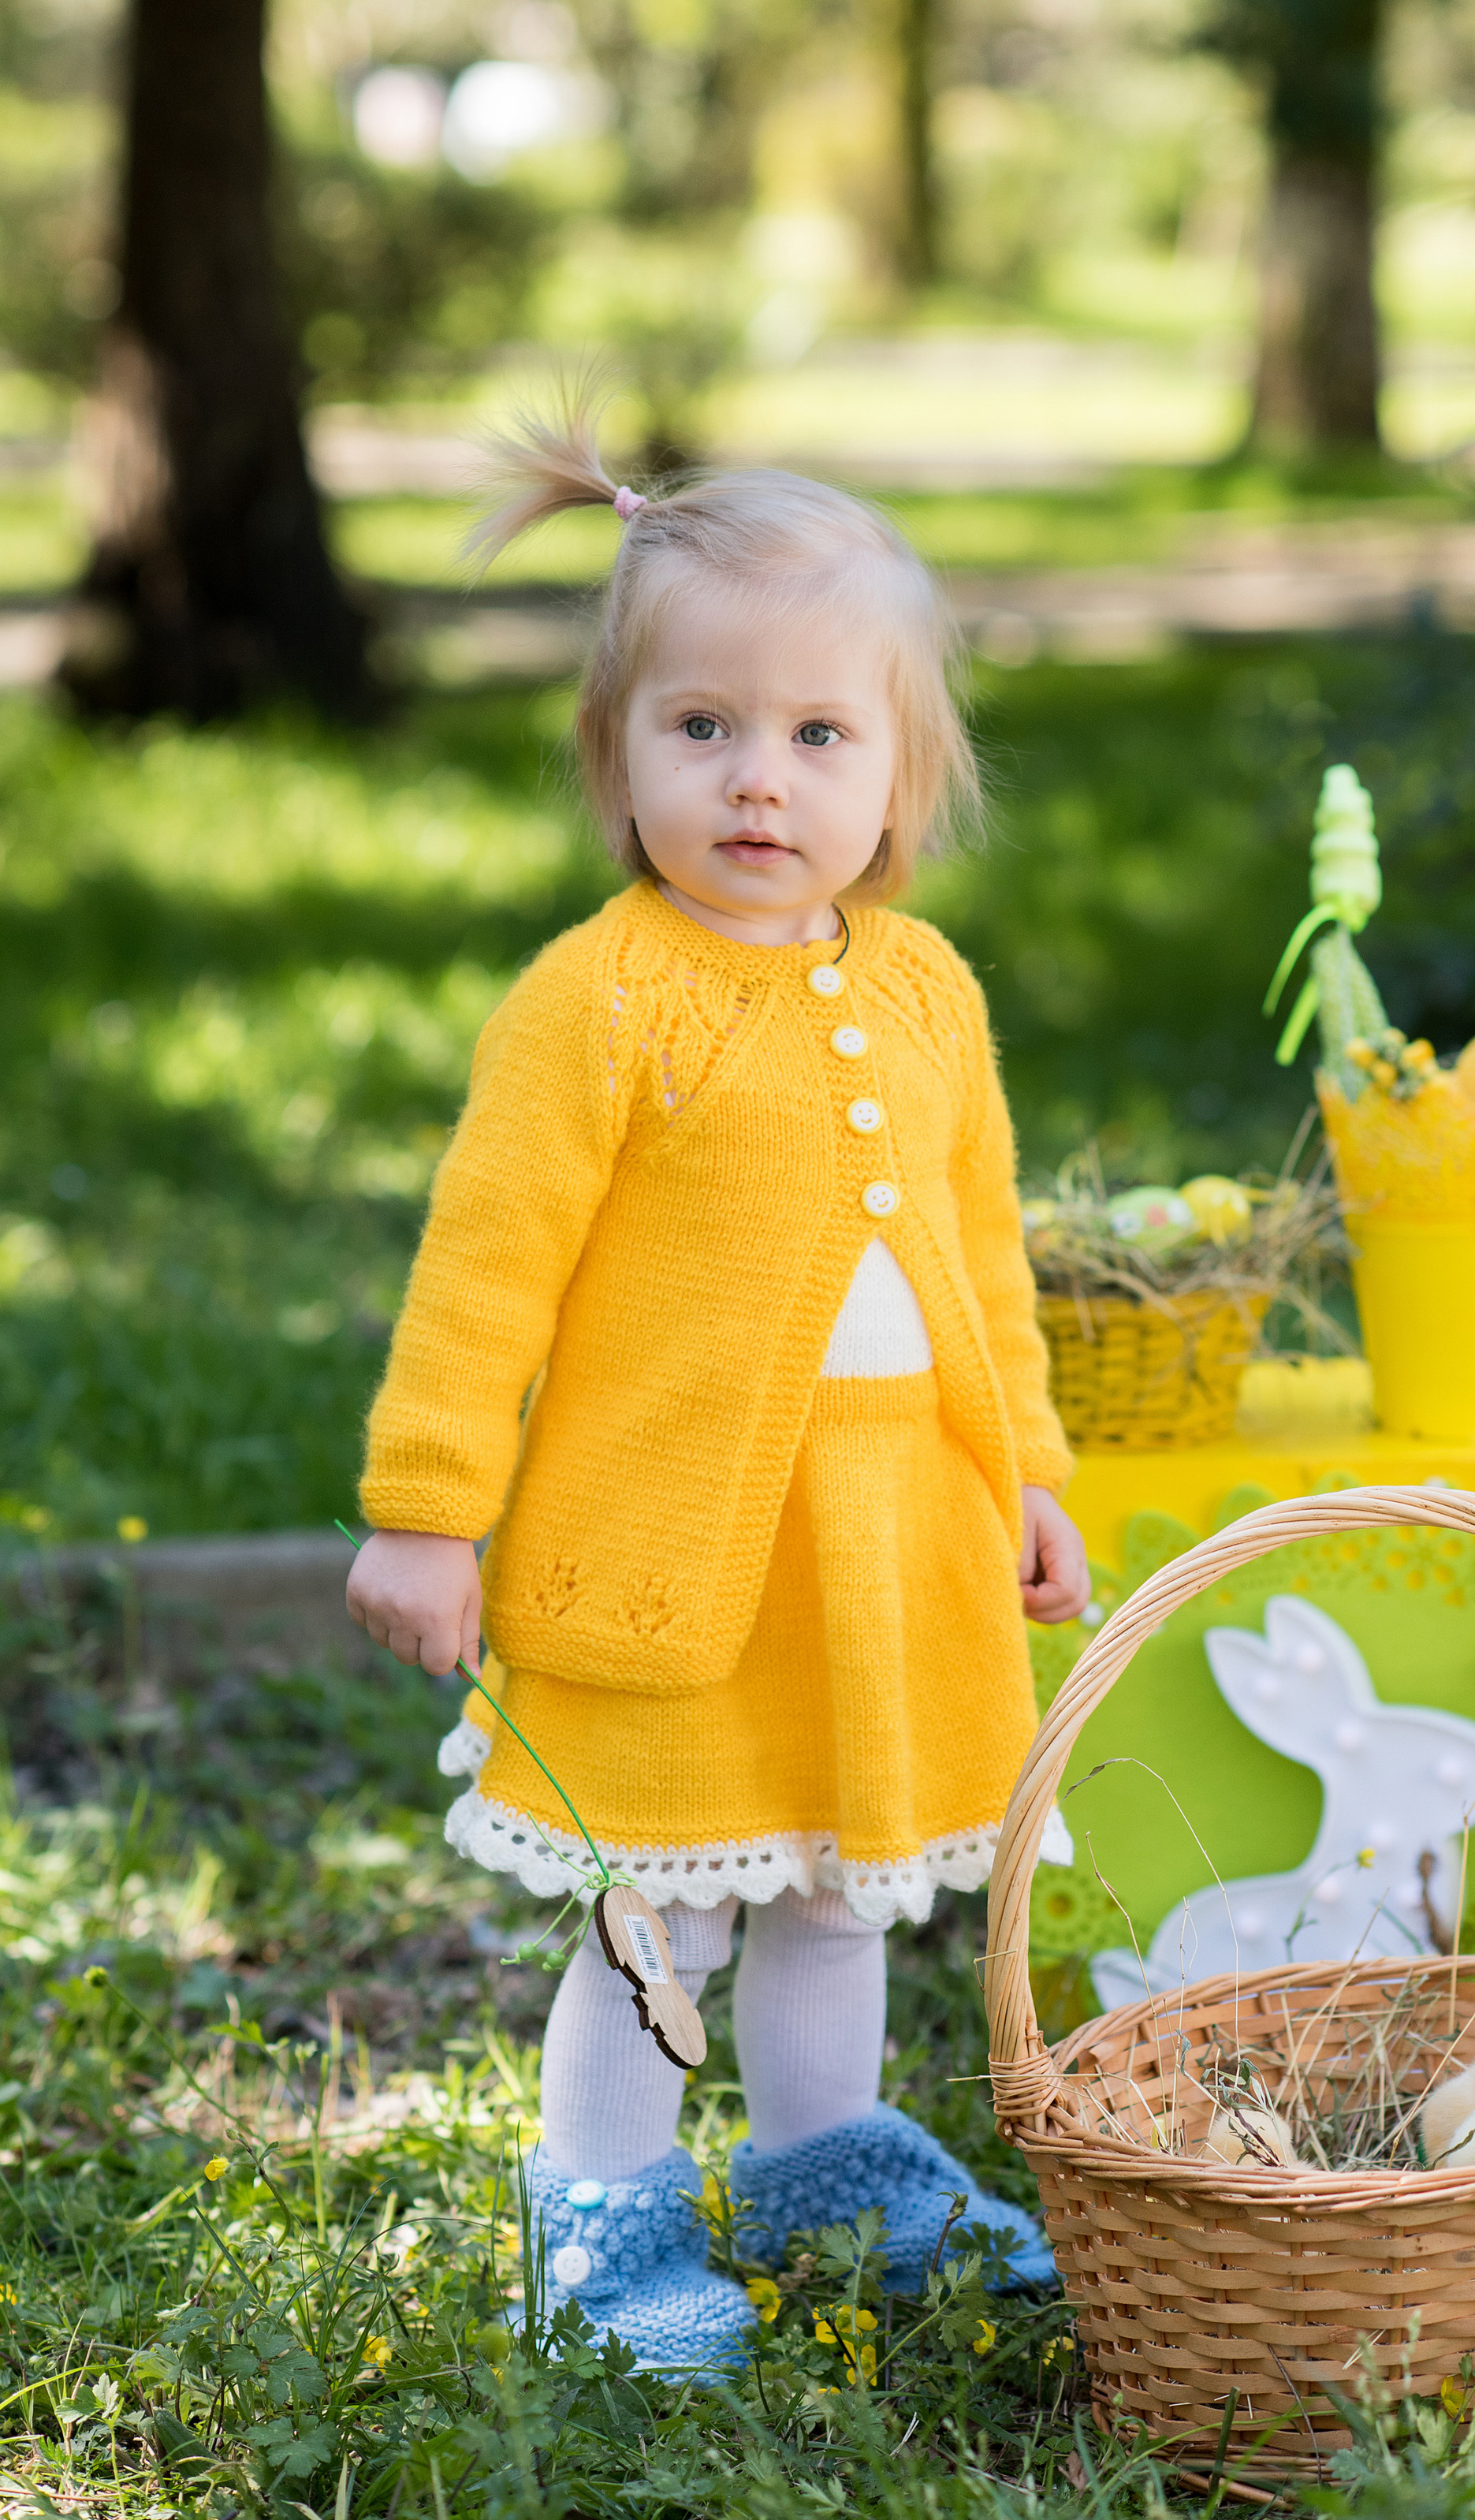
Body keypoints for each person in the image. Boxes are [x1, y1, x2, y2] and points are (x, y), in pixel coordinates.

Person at [344, 408, 1089, 2370]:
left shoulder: (926, 992)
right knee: (659, 1902)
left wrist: (1023, 1469)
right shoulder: (596, 1000)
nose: (759, 776)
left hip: (885, 1542)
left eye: (819, 734)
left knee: (839, 1885)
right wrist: (426, 1507)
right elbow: (485, 1266)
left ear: (901, 774)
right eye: (702, 726)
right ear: (618, 754)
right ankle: (599, 2225)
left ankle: (822, 2164)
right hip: (674, 1553)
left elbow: (982, 1263)